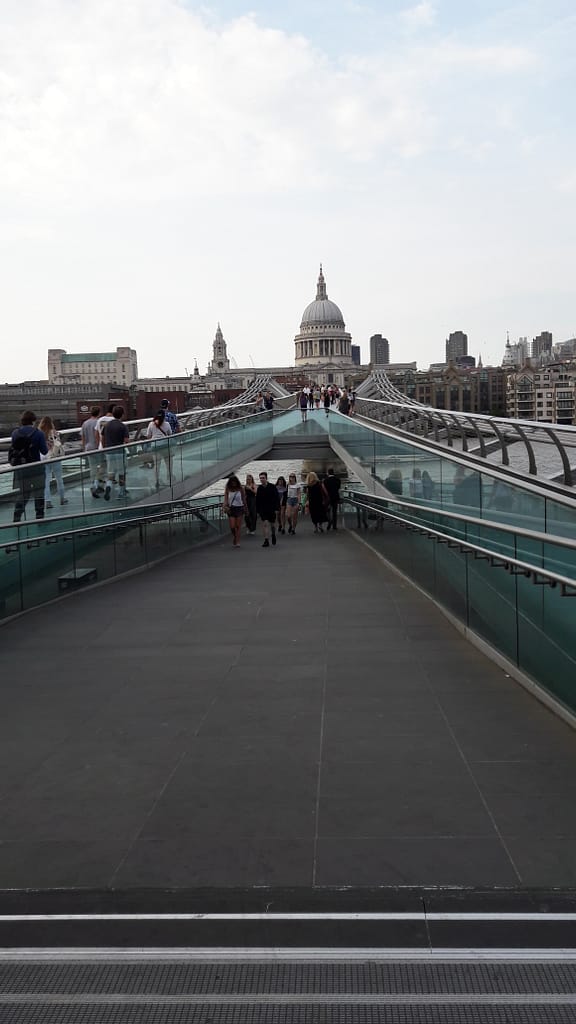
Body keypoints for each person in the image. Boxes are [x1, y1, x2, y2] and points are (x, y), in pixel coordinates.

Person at [9, 410, 48, 522]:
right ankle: (39, 516)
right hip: (36, 468)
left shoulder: (15, 433)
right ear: (33, 421)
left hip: (21, 468)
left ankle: (17, 515)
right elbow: (44, 451)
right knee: (39, 493)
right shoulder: (38, 433)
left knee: (23, 493)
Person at [38, 415, 68, 509]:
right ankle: (62, 498)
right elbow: (58, 444)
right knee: (59, 479)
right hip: (55, 457)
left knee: (46, 481)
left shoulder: (39, 433)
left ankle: (48, 501)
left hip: (44, 458)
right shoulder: (54, 432)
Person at [101, 405, 129, 499]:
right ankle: (121, 492)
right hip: (120, 452)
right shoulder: (123, 426)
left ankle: (108, 486)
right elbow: (126, 440)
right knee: (121, 473)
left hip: (109, 452)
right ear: (122, 415)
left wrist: (105, 448)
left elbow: (103, 438)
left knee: (111, 473)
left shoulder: (107, 425)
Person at [81, 406, 104, 497]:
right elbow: (100, 435)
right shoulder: (99, 422)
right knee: (101, 467)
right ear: (99, 413)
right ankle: (97, 485)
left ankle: (93, 485)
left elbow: (82, 437)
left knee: (92, 467)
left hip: (88, 448)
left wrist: (83, 448)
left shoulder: (85, 423)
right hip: (97, 447)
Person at [146, 409, 172, 490]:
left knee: (157, 465)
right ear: (164, 416)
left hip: (155, 446)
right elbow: (170, 434)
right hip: (165, 446)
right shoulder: (167, 424)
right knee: (169, 463)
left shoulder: (151, 424)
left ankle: (157, 481)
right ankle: (169, 478)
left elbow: (148, 436)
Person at [256, 470, 280, 547]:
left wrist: (277, 508)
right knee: (265, 524)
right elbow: (257, 500)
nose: (261, 479)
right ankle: (266, 540)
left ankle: (273, 535)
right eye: (260, 478)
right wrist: (258, 510)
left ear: (266, 478)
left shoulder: (272, 487)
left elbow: (277, 498)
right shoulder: (259, 488)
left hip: (271, 509)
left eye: (263, 478)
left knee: (272, 525)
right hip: (263, 509)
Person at [224, 474, 246, 547]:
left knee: (238, 526)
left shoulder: (240, 489)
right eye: (232, 482)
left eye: (235, 482)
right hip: (231, 508)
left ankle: (237, 541)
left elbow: (243, 499)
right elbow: (226, 499)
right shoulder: (228, 489)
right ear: (230, 482)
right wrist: (224, 506)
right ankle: (235, 537)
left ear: (237, 482)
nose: (233, 483)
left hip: (239, 508)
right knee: (232, 527)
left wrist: (246, 508)